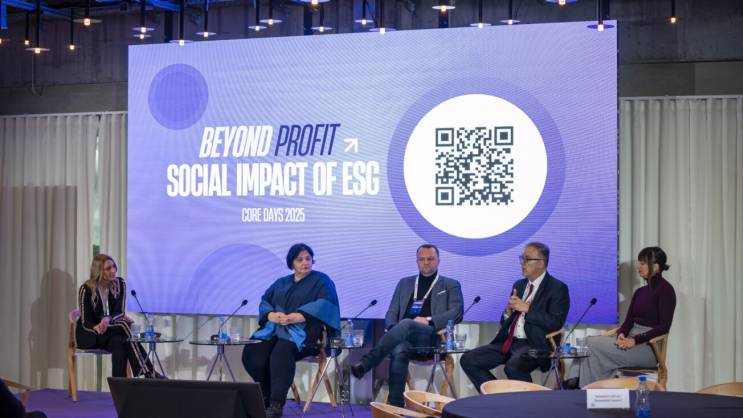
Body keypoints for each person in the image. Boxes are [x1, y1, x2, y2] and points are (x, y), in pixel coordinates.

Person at [350, 244, 463, 407]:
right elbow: (391, 312)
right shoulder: (404, 283)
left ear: (438, 260)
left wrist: (429, 320)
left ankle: (367, 363)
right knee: (399, 348)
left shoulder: (450, 285)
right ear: (417, 261)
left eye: (430, 259)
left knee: (407, 323)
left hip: (431, 337)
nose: (426, 262)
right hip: (404, 337)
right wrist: (392, 329)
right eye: (422, 259)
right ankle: (396, 407)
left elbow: (456, 312)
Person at [241, 243, 340, 418]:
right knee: (253, 352)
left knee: (282, 350)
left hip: (306, 335)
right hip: (276, 330)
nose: (305, 263)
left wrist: (299, 316)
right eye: (299, 259)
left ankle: (276, 405)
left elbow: (326, 303)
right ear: (291, 263)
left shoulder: (322, 280)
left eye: (308, 259)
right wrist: (271, 315)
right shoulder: (281, 282)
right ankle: (265, 395)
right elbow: (265, 300)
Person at [460, 242, 570, 390]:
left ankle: (528, 403)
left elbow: (555, 322)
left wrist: (528, 309)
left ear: (541, 263)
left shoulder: (557, 288)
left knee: (513, 366)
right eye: (521, 258)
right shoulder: (519, 284)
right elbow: (507, 320)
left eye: (527, 259)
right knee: (469, 359)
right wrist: (507, 314)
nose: (522, 263)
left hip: (535, 344)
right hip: (510, 342)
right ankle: (498, 396)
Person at [565, 246, 676, 388]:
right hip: (630, 340)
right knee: (587, 341)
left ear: (655, 266)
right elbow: (629, 321)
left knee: (592, 345)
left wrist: (635, 340)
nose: (638, 267)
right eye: (639, 263)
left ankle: (580, 385)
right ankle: (580, 384)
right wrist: (621, 334)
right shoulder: (640, 292)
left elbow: (664, 327)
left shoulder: (666, 290)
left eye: (642, 263)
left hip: (648, 347)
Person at [76, 254, 157, 378]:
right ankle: (149, 372)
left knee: (119, 343)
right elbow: (85, 321)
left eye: (114, 266)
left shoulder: (120, 283)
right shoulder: (86, 289)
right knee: (123, 325)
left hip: (110, 332)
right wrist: (97, 327)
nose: (113, 270)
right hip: (90, 334)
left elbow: (119, 312)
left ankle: (119, 385)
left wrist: (107, 319)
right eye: (108, 268)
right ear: (98, 271)